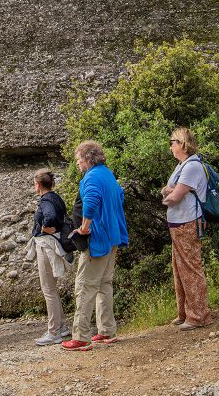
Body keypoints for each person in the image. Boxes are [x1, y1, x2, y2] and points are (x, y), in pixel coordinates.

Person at [61, 141, 129, 352]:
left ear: (88, 159)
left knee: (84, 286)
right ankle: (107, 330)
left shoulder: (90, 177)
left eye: (79, 159)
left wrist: (84, 227)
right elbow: (120, 196)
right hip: (113, 236)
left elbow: (90, 203)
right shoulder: (107, 174)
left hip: (98, 240)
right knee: (104, 284)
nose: (77, 163)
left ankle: (81, 337)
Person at [161, 127, 214, 331]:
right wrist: (170, 192)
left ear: (182, 144)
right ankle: (185, 312)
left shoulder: (192, 166)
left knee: (191, 268)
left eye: (172, 142)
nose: (170, 146)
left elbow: (173, 196)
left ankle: (199, 315)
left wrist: (170, 194)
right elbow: (169, 191)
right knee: (179, 268)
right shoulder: (182, 166)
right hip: (178, 222)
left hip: (188, 222)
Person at [30, 169, 72, 345]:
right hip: (52, 244)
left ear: (38, 184)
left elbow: (51, 216)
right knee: (51, 289)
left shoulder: (46, 200)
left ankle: (54, 330)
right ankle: (61, 327)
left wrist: (44, 227)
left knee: (48, 289)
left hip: (46, 245)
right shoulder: (56, 197)